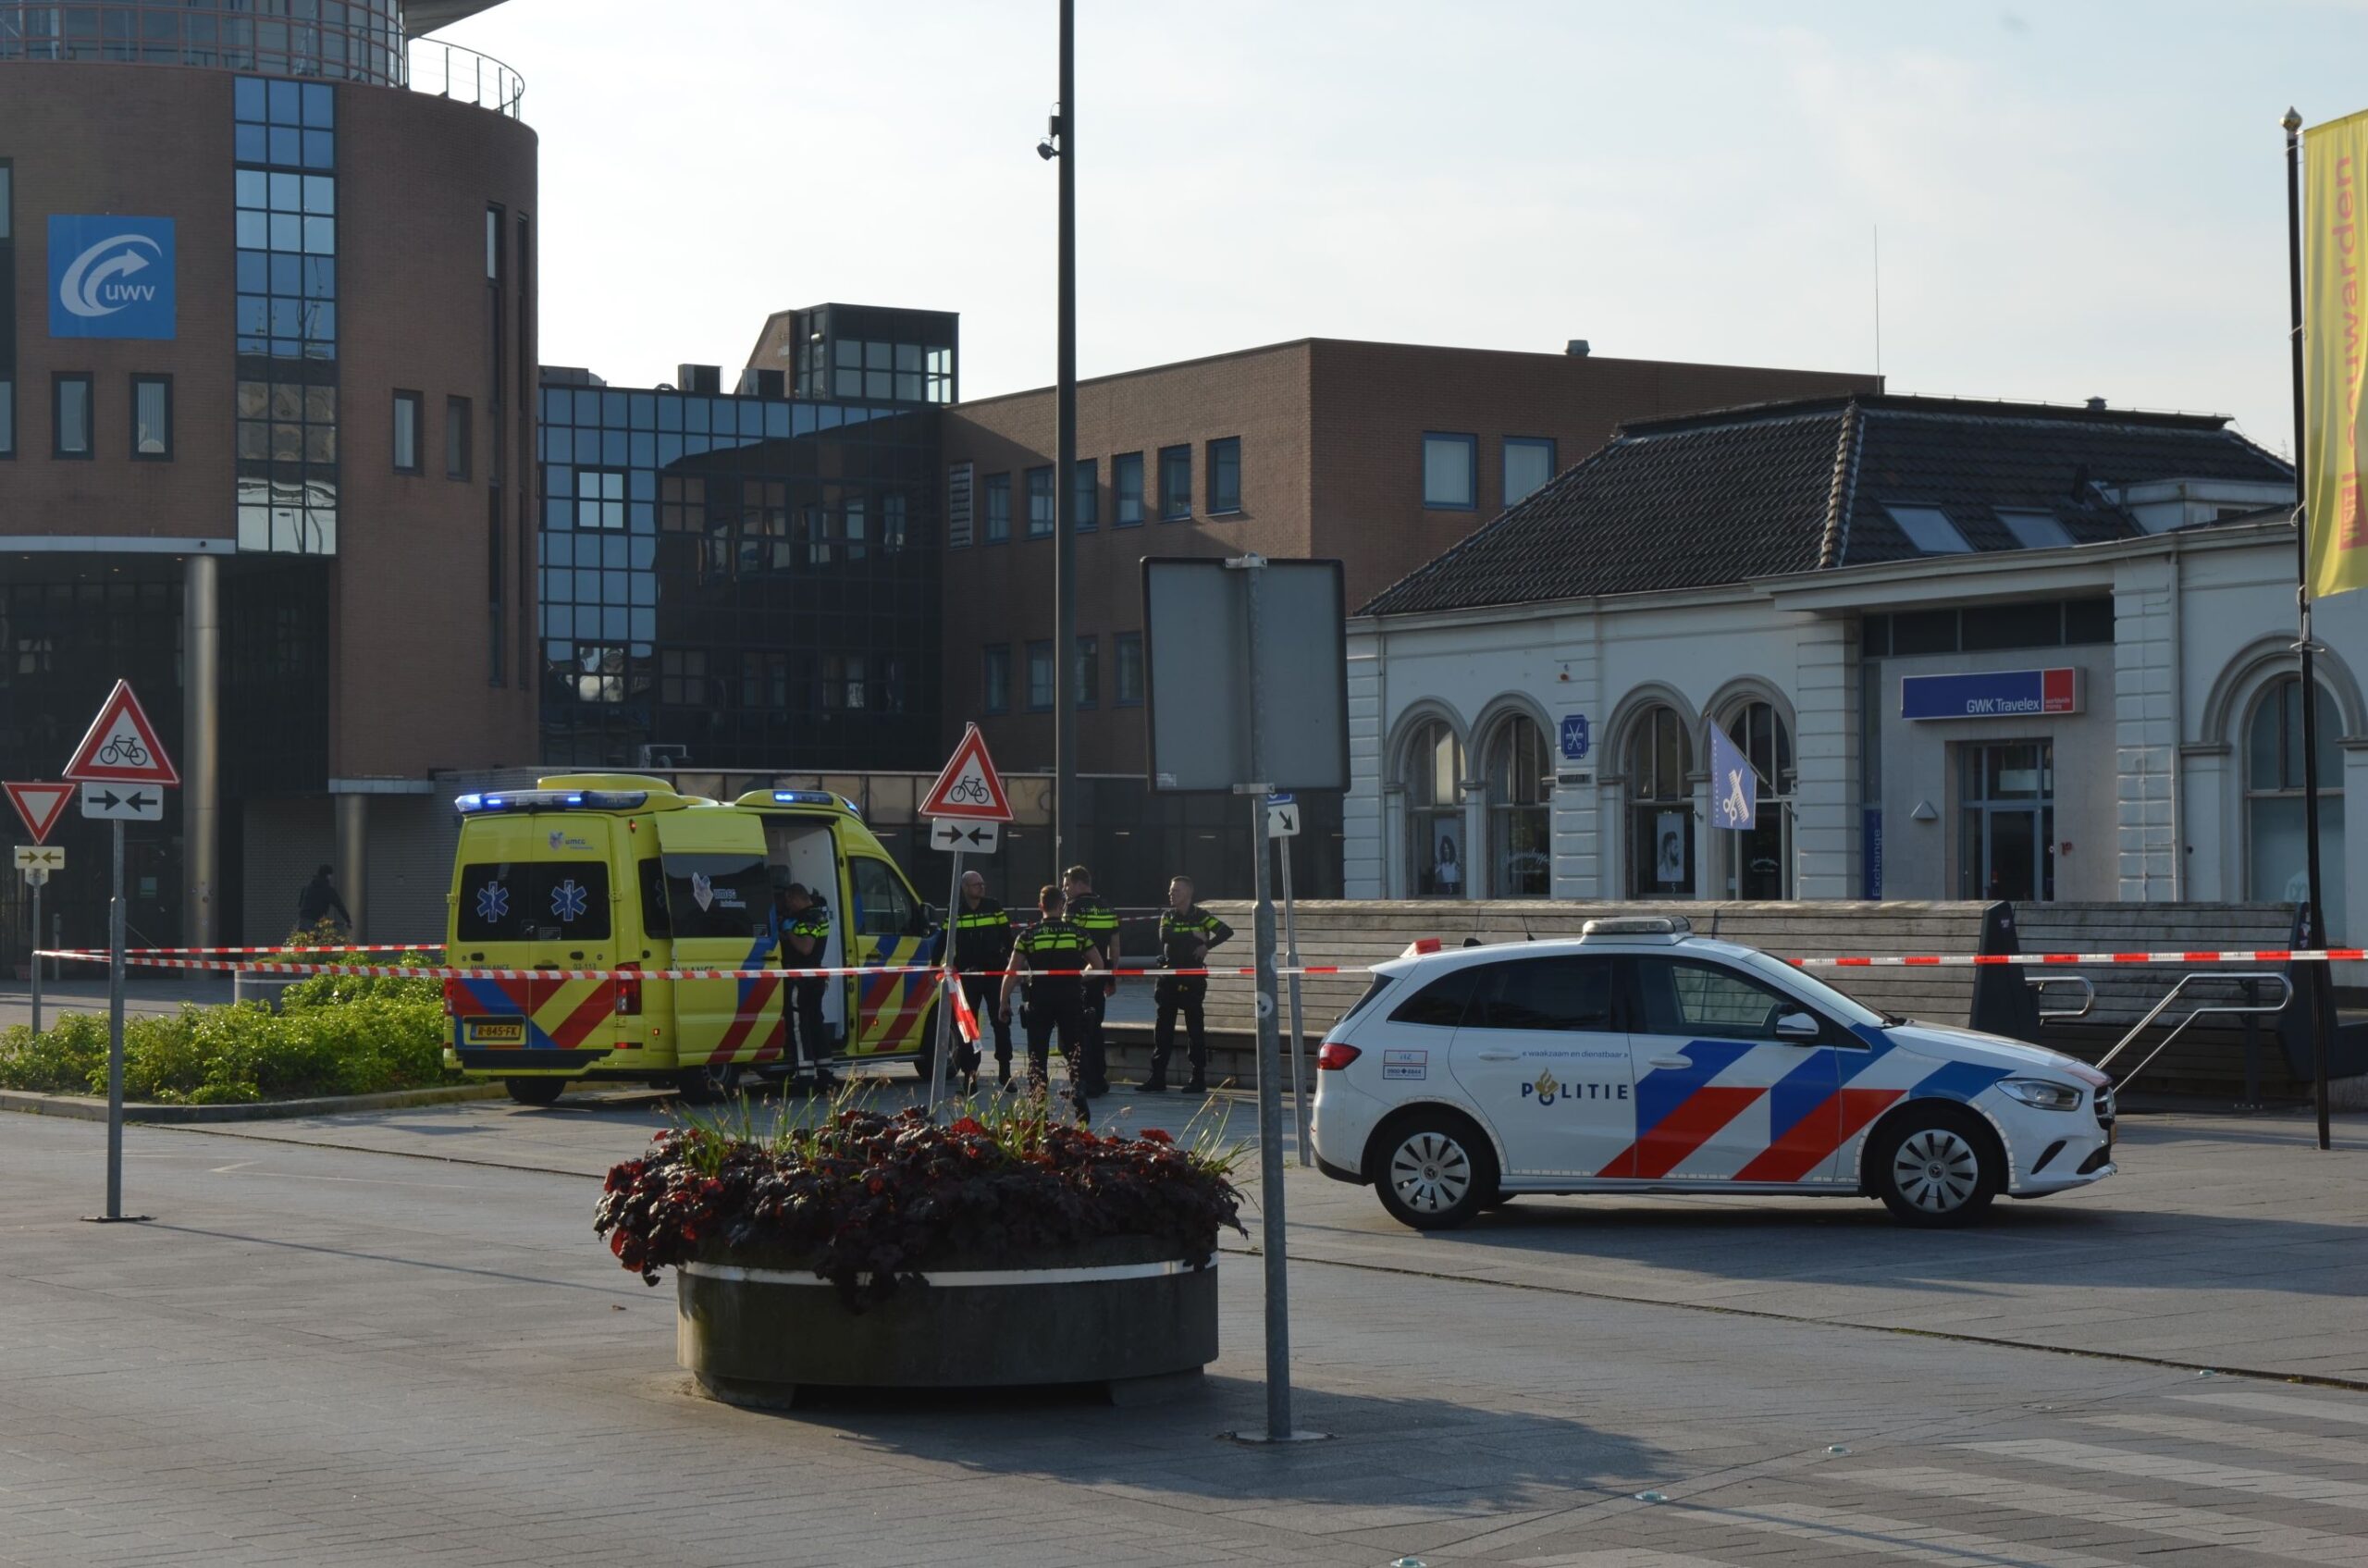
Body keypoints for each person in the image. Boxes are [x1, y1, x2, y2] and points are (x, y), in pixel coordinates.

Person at [999, 883, 1092, 1121]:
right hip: (1071, 998)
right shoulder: (1077, 932)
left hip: (1039, 999)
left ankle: (1039, 1107)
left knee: (1037, 1053)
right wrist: (1080, 977)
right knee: (1074, 1049)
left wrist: (1003, 1002)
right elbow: (1099, 965)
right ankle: (1079, 1090)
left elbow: (1012, 971)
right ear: (1061, 906)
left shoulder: (1027, 935)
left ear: (1040, 906)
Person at [1146, 874, 1230, 1093]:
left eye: (1176, 891)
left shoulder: (1201, 916)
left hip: (1192, 979)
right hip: (1169, 978)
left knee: (1195, 1029)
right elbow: (1165, 936)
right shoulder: (1168, 916)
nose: (1171, 894)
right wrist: (1193, 935)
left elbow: (1225, 931)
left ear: (1189, 894)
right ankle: (1157, 1078)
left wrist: (1206, 945)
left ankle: (1198, 1078)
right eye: (1171, 891)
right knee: (1163, 1029)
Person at [950, 869, 1015, 1093]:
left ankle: (1005, 1072)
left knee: (1002, 1021)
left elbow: (1008, 938)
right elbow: (944, 941)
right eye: (977, 884)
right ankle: (970, 1076)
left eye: (983, 884)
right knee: (968, 1027)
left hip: (995, 975)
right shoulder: (956, 912)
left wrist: (1011, 967)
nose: (982, 887)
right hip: (968, 978)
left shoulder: (994, 907)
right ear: (966, 888)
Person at [1061, 864, 1118, 1097]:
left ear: (1079, 883)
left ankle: (1083, 1081)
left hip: (1079, 977)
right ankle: (1100, 1078)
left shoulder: (1073, 907)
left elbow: (1068, 941)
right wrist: (1111, 976)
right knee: (1096, 1027)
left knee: (1078, 1029)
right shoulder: (1107, 907)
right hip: (1100, 975)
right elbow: (1115, 948)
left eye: (1067, 885)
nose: (1064, 890)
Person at [778, 881, 839, 1089]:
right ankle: (825, 1074)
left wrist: (788, 932)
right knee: (815, 1025)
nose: (788, 906)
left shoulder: (810, 918)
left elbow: (805, 947)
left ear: (796, 898)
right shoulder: (816, 915)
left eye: (789, 901)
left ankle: (804, 1077)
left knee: (798, 1026)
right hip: (813, 979)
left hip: (802, 980)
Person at [296, 863, 352, 934]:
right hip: (315, 921)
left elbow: (300, 904)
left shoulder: (307, 887)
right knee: (317, 942)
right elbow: (339, 906)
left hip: (302, 921)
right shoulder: (328, 890)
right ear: (328, 875)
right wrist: (348, 920)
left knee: (303, 943)